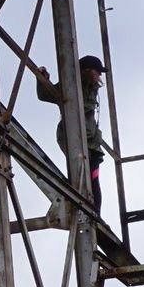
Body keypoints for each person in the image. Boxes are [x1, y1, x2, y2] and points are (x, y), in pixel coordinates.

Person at [34, 54, 105, 207]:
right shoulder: (69, 86)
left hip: (91, 142)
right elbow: (45, 94)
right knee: (81, 176)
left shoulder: (92, 89)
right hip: (72, 137)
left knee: (93, 179)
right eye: (97, 71)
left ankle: (95, 214)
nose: (99, 75)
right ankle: (84, 208)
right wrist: (42, 79)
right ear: (87, 70)